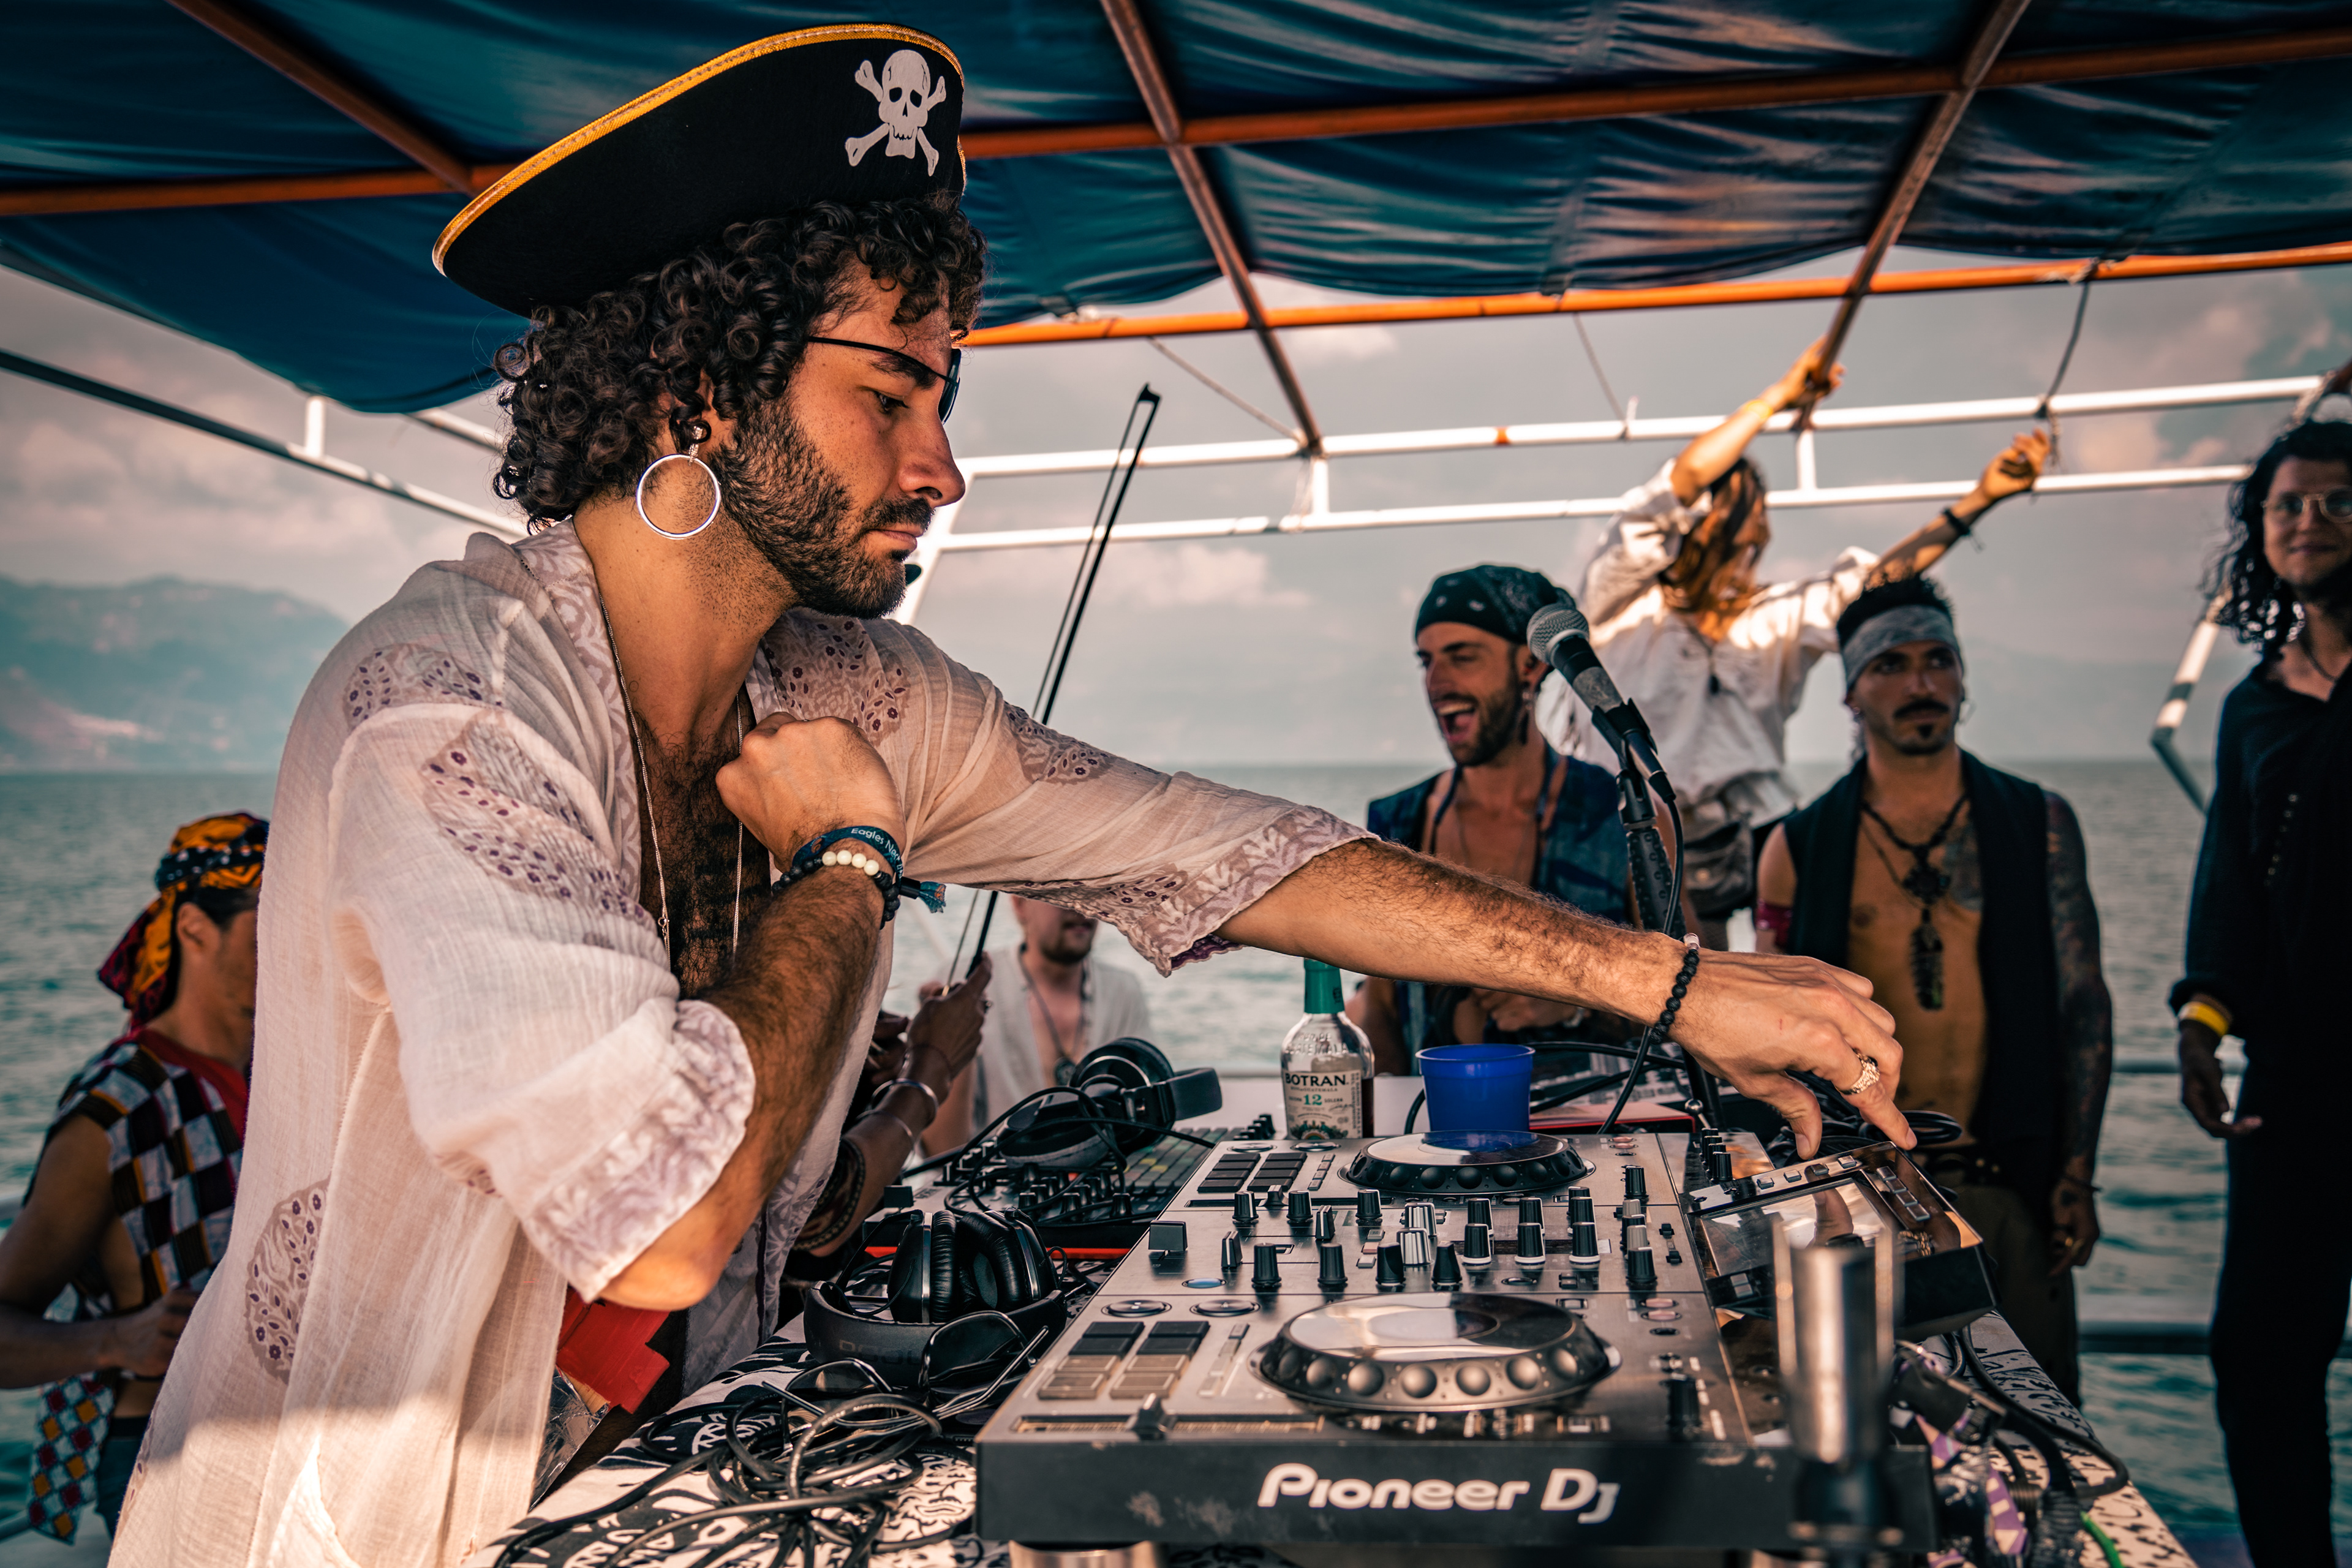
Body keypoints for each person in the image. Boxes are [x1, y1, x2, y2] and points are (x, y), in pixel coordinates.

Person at [113, 31, 1913, 1565]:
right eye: (889, 389)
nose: (943, 461)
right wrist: (846, 855)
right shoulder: (448, 701)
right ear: (688, 383)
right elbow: (655, 1231)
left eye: (946, 391)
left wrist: (1669, 981)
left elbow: (1225, 846)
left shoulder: (849, 686)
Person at [1565, 340, 2051, 946]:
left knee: (1800, 949)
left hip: (1752, 829)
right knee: (1652, 977)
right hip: (1630, 822)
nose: (1747, 539)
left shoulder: (1776, 617)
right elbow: (1683, 481)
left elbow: (1878, 591)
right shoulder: (1621, 600)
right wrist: (1776, 398)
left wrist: (1978, 502)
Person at [1755, 578, 2111, 1402]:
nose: (1920, 684)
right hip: (1866, 1188)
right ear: (1850, 691)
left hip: (2010, 1178)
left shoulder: (2037, 822)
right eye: (1891, 665)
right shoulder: (1798, 848)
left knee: (2042, 1428)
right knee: (1877, 1427)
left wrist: (2077, 1173)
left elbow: (2082, 1006)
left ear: (1961, 677)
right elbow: (1775, 1040)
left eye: (1937, 661)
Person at [2171, 416, 2352, 1568]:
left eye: (2338, 501)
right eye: (2287, 506)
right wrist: (2202, 1025)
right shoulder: (2257, 704)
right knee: (2261, 1355)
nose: (2308, 522)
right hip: (2297, 1085)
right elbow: (2232, 883)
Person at [0, 814, 265, 1540]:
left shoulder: (280, 1076)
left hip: (276, 1436)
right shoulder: (119, 1106)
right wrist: (116, 1341)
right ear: (194, 928)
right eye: (267, 918)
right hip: (157, 1451)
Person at [1350, 565, 1642, 1070]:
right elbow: (1382, 1008)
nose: (1437, 682)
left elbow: (1691, 997)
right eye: (1426, 661)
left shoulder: (1621, 813)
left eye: (1462, 657)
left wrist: (1574, 1002)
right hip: (1437, 1134)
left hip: (1592, 1131)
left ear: (1530, 666)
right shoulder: (1400, 822)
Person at [925, 899, 1150, 1152]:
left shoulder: (1124, 991)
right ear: (1020, 905)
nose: (1081, 909)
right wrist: (944, 1050)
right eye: (1062, 892)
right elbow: (941, 1151)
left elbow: (1142, 1128)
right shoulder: (964, 985)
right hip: (994, 1180)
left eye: (1091, 893)